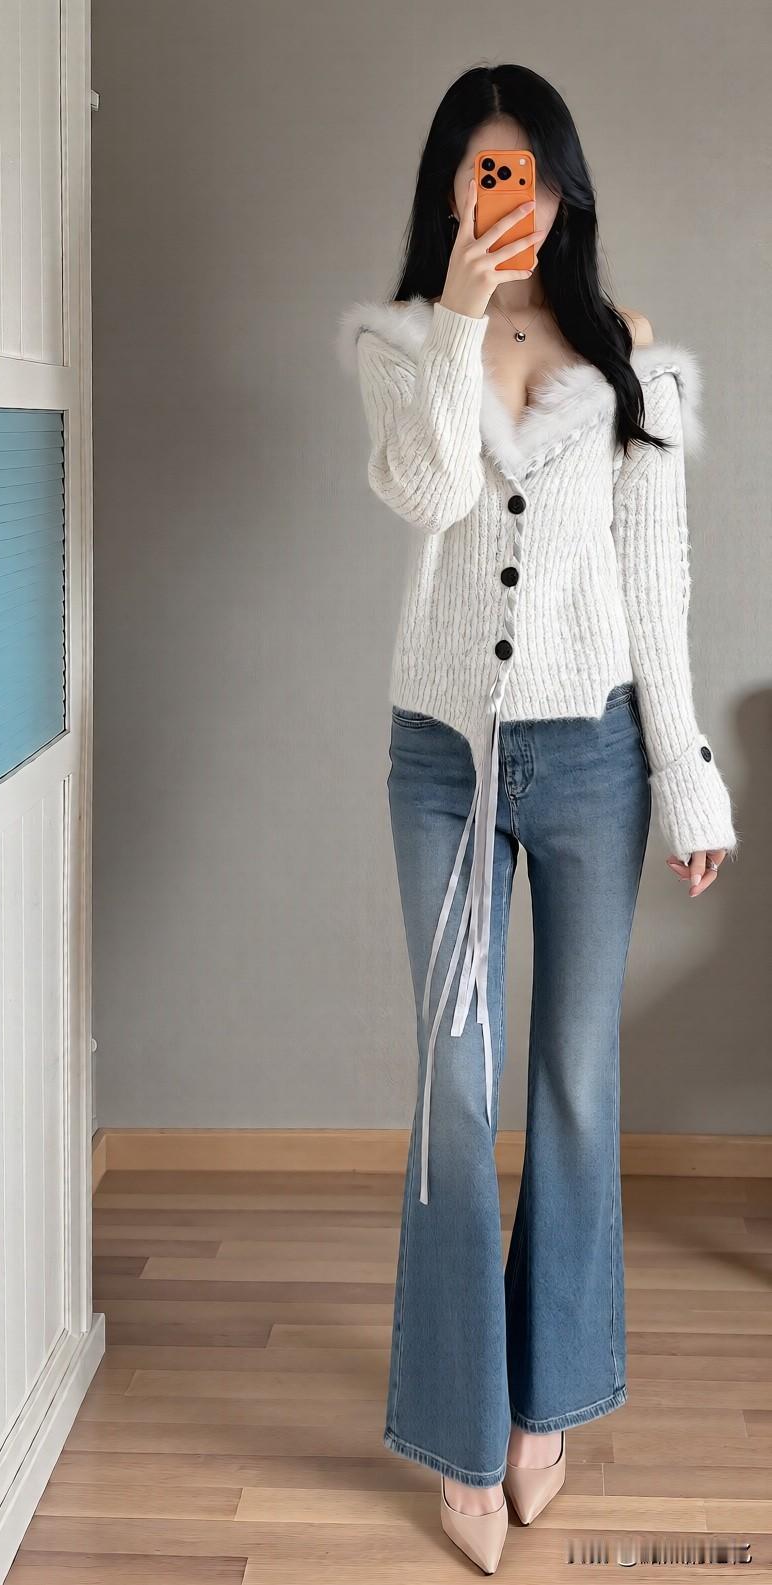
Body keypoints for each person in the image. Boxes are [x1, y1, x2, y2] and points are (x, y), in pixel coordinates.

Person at [335, 62, 739, 1574]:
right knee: (457, 1088)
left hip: (594, 763)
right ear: (451, 184)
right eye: (487, 171)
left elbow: (655, 585)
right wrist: (454, 318)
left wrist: (688, 772)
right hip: (443, 760)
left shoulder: (627, 357)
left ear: (566, 190)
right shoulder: (398, 344)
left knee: (574, 1083)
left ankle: (544, 1411)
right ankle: (459, 1429)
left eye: (536, 174)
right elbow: (429, 491)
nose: (515, 197)